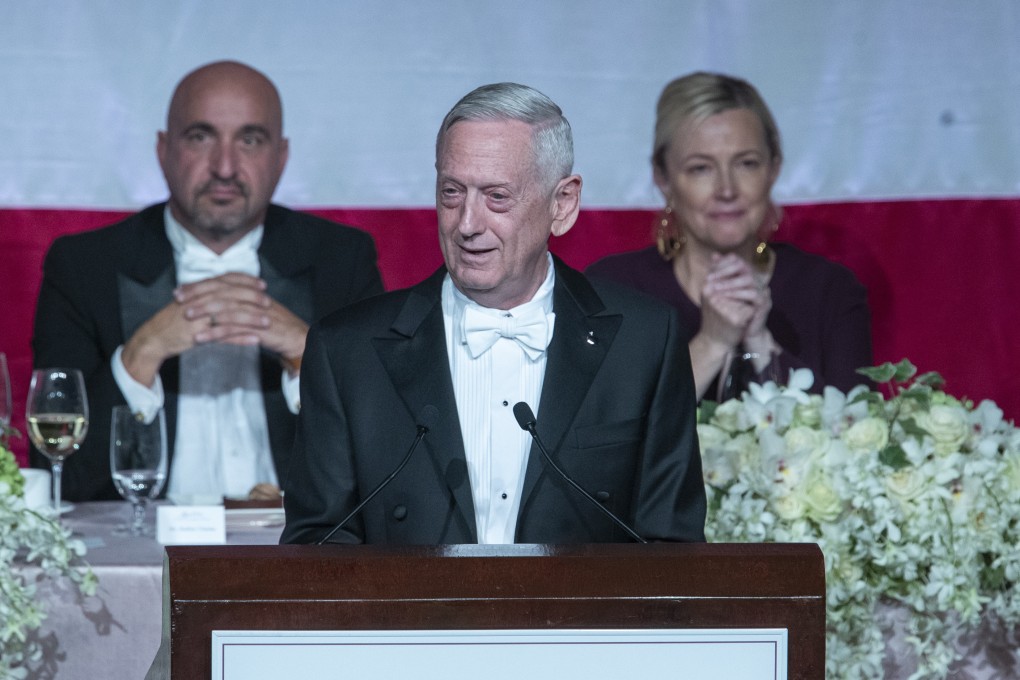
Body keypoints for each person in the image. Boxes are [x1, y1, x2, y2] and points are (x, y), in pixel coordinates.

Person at [281, 82, 705, 546]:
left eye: (496, 197)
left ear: (562, 205)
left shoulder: (643, 343)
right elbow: (317, 551)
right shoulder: (347, 352)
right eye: (451, 192)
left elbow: (671, 552)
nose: (467, 224)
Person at [31, 61, 383, 502]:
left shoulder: (340, 261)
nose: (224, 166)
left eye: (250, 140)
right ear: (162, 150)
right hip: (142, 552)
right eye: (200, 137)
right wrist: (140, 357)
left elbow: (389, 461)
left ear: (282, 157)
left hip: (297, 553)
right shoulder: (85, 267)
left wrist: (310, 359)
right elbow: (57, 473)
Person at [587, 72, 872, 402]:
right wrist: (713, 342)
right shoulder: (614, 289)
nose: (726, 190)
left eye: (746, 164)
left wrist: (761, 342)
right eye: (700, 168)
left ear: (773, 169)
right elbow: (609, 437)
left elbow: (856, 435)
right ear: (663, 178)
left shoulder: (829, 290)